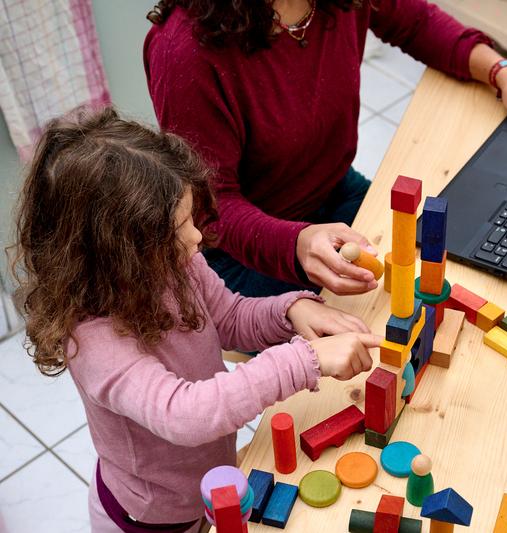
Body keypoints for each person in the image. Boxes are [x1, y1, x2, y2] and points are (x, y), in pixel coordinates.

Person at [10, 107, 380, 532]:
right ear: (120, 252)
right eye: (177, 229)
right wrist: (305, 360)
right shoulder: (94, 341)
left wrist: (291, 310)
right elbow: (186, 413)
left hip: (210, 489)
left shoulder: (173, 264)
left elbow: (231, 316)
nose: (196, 238)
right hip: (151, 520)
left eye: (188, 220)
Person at [144, 0, 507, 298]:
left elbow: (417, 21)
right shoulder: (185, 51)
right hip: (244, 253)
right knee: (392, 338)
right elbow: (212, 209)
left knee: (460, 275)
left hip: (329, 194)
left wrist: (504, 73)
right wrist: (298, 242)